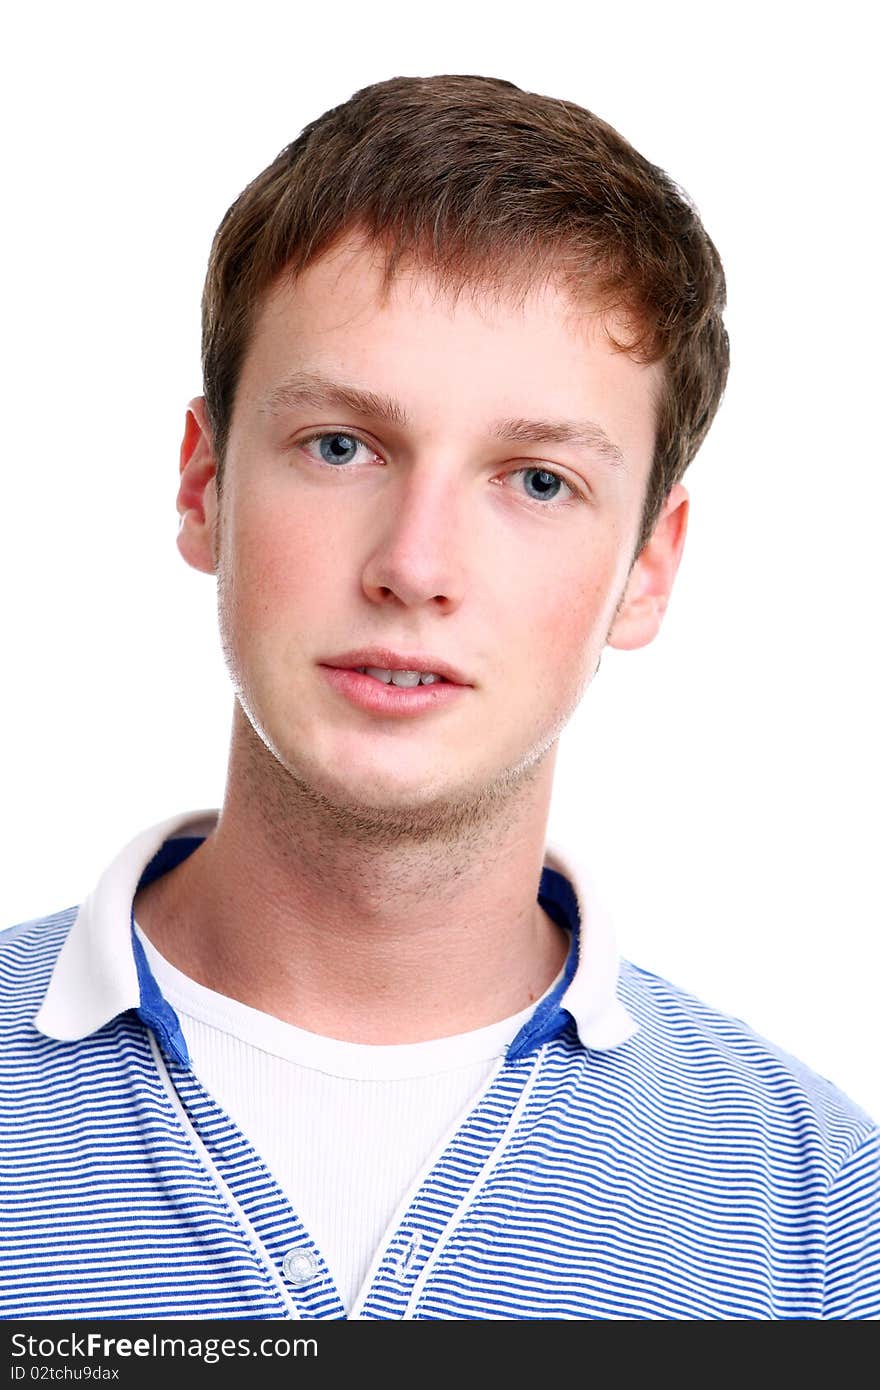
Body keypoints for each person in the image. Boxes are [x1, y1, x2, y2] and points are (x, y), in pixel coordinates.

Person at [1, 73, 877, 1323]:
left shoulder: (825, 1214)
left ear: (647, 569)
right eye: (341, 445)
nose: (413, 566)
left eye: (533, 480)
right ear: (204, 487)